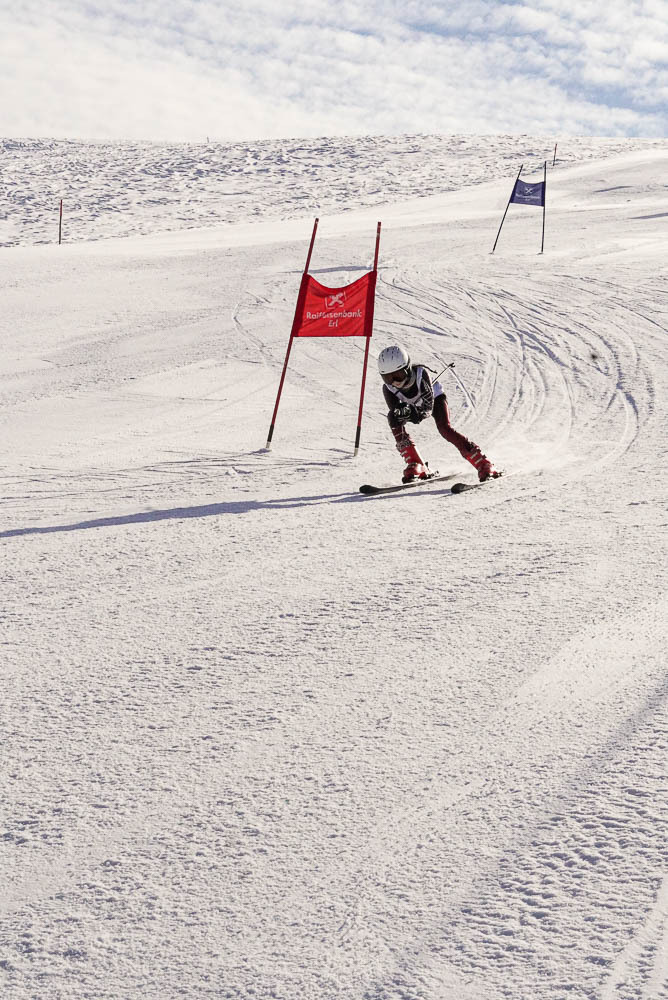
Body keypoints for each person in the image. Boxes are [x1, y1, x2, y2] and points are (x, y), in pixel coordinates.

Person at [377, 344, 500, 484]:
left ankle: (483, 463)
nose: (394, 382)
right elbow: (396, 415)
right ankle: (416, 463)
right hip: (414, 408)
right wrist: (401, 413)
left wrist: (413, 414)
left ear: (408, 368)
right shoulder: (389, 388)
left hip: (435, 399)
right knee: (392, 419)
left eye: (398, 376)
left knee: (444, 428)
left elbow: (427, 409)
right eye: (388, 378)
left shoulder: (421, 375)